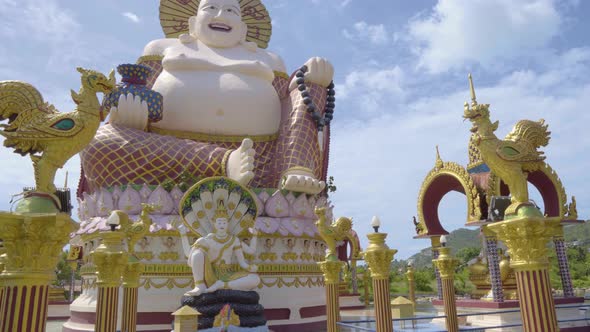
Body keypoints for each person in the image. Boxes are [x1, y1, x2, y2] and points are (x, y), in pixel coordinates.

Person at [79, 0, 334, 195]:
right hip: (168, 156)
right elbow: (137, 90)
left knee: (307, 86)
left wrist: (313, 80)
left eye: (231, 11)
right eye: (211, 7)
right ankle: (224, 164)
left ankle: (296, 168)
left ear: (244, 28)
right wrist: (126, 115)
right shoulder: (163, 48)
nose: (221, 15)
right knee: (98, 142)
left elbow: (288, 108)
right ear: (192, 21)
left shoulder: (269, 60)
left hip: (260, 161)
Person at [178, 200, 259, 296]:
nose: (222, 225)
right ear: (214, 224)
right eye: (219, 222)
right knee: (197, 253)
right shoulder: (208, 239)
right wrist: (183, 234)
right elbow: (189, 254)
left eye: (224, 223)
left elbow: (248, 255)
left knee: (255, 279)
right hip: (211, 274)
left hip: (229, 274)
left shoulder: (234, 240)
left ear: (228, 224)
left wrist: (255, 235)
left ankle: (222, 285)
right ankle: (199, 286)